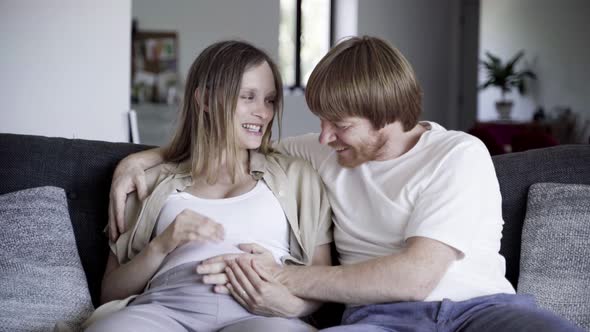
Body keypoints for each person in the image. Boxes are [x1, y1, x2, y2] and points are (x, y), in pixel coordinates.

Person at [108, 36, 582, 331]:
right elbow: (229, 141)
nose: (322, 136)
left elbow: (416, 278)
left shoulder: (457, 154)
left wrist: (283, 279)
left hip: (481, 311)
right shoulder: (323, 152)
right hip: (378, 322)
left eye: (339, 124)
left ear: (387, 117)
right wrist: (144, 158)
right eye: (320, 122)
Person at [85, 40, 333, 332]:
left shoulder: (297, 176)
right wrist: (162, 244)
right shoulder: (148, 182)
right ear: (204, 100)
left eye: (269, 100)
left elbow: (324, 279)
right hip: (165, 312)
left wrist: (294, 305)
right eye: (248, 97)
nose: (263, 113)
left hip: (260, 315)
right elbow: (109, 294)